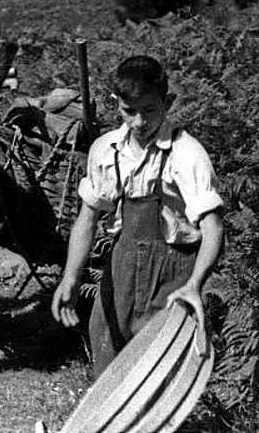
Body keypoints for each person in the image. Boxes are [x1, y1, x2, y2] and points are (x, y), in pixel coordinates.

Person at [50, 55, 225, 378]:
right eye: (129, 112)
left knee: (157, 369)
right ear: (115, 104)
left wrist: (195, 285)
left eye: (150, 110)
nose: (140, 122)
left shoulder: (186, 153)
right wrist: (71, 277)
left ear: (167, 102)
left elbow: (213, 228)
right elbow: (87, 219)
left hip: (173, 270)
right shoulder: (106, 150)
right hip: (122, 266)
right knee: (106, 349)